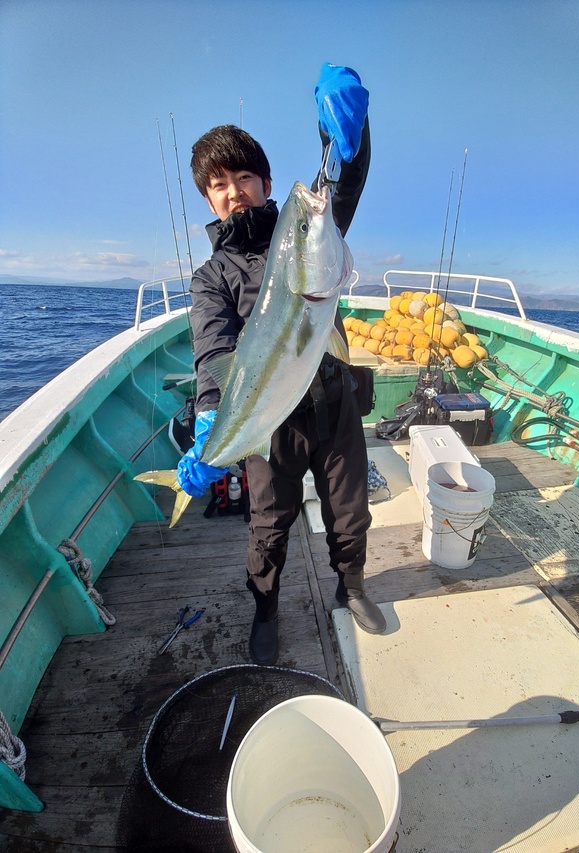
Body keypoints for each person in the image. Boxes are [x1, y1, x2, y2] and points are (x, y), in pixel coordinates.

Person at [177, 63, 386, 666]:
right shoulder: (210, 278)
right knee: (268, 523)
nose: (234, 189)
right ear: (208, 197)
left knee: (350, 512)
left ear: (266, 184)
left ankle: (352, 589)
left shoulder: (301, 236)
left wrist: (350, 135)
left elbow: (340, 185)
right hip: (269, 424)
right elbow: (214, 351)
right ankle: (265, 607)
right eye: (220, 183)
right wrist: (211, 425)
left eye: (245, 176)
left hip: (333, 402)